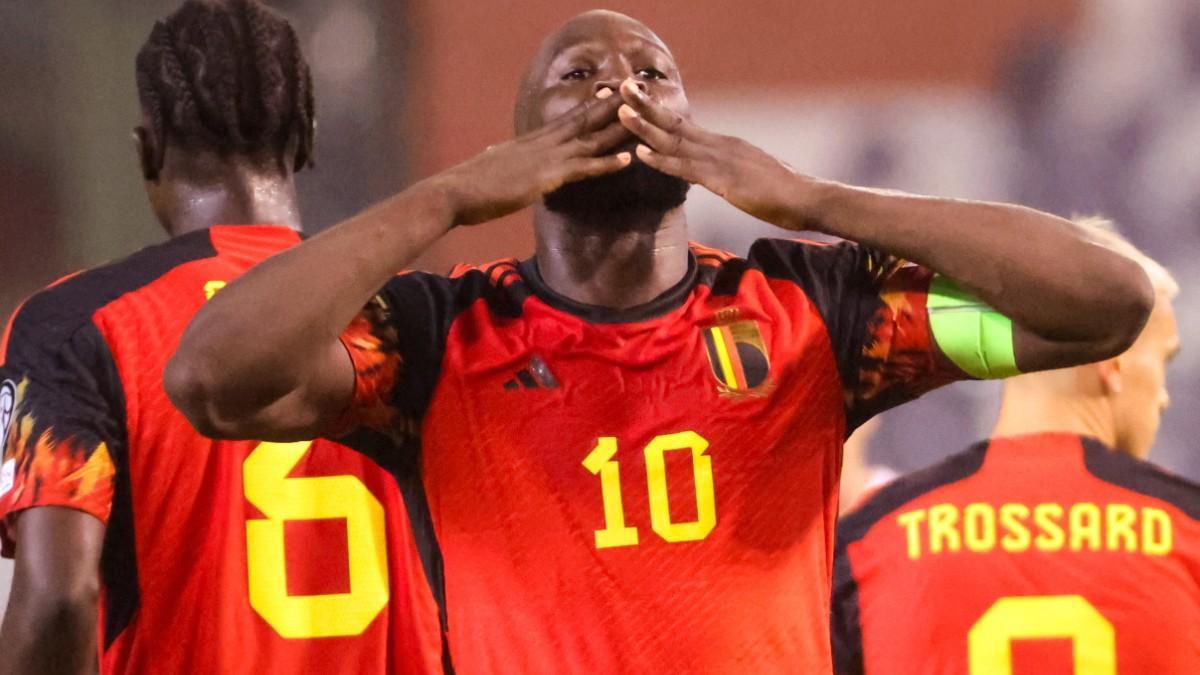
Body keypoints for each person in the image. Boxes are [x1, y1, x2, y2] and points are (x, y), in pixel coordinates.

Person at [166, 10, 1154, 672]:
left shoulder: (812, 311)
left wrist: (818, 200)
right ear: (522, 141)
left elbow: (1107, 302)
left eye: (653, 74)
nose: (623, 91)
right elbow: (211, 378)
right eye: (580, 75)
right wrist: (448, 197)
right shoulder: (438, 337)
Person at [0, 2, 440, 673]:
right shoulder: (412, 318)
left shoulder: (76, 325)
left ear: (147, 151)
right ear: (307, 137)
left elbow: (57, 602)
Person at [831, 219, 1193, 674]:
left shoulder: (870, 542)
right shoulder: (1187, 529)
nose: (1163, 397)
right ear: (1113, 361)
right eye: (1162, 359)